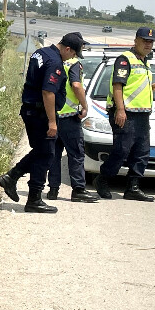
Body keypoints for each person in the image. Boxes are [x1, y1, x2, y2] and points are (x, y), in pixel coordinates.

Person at [0, 32, 87, 213]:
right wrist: (52, 122)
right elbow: (48, 92)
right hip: (40, 114)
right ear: (68, 49)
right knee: (46, 155)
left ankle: (12, 177)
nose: (73, 58)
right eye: (74, 53)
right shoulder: (55, 62)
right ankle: (33, 199)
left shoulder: (42, 52)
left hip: (31, 110)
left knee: (41, 152)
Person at [94, 27, 155, 201]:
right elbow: (118, 85)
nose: (148, 44)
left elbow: (135, 86)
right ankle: (102, 179)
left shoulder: (144, 61)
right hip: (126, 114)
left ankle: (133, 187)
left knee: (141, 152)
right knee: (121, 150)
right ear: (136, 40)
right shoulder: (125, 59)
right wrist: (120, 110)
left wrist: (151, 87)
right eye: (145, 40)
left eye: (151, 42)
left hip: (142, 114)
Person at [47, 33, 99, 203]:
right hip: (69, 118)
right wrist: (84, 105)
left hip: (53, 116)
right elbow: (76, 85)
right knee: (76, 154)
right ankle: (78, 190)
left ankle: (53, 190)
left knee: (54, 155)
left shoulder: (54, 62)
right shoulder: (74, 64)